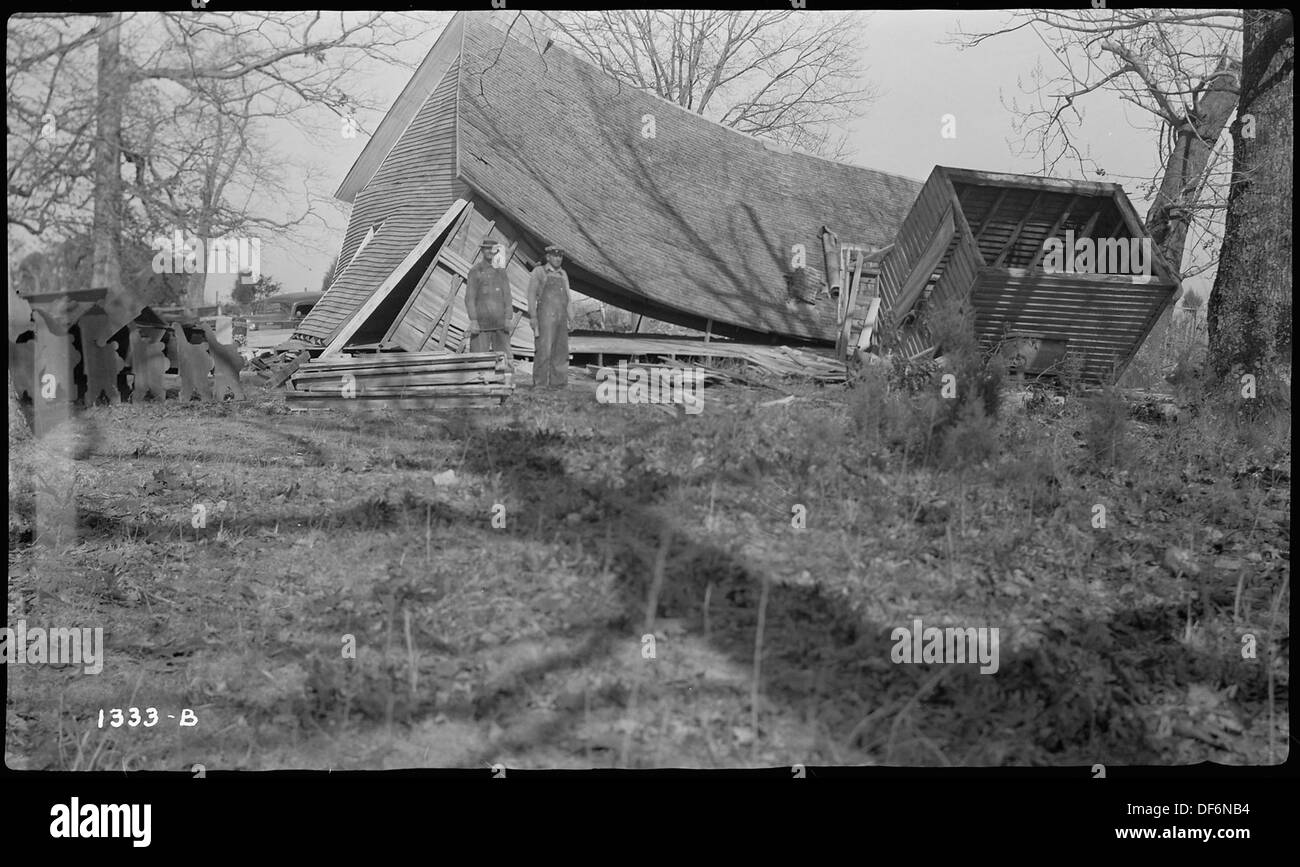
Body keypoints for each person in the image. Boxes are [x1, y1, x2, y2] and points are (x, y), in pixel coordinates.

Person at [527, 244, 571, 389]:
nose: (558, 259)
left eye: (560, 256)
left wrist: (571, 317)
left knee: (561, 351)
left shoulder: (563, 274)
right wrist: (533, 317)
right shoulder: (539, 272)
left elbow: (568, 298)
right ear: (548, 257)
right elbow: (531, 295)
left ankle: (558, 384)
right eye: (555, 256)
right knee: (543, 351)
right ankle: (540, 384)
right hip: (545, 318)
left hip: (561, 318)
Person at [465, 238, 513, 362]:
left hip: (500, 323)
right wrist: (474, 320)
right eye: (487, 248)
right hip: (481, 325)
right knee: (477, 360)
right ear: (482, 250)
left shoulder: (501, 272)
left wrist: (508, 318)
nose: (490, 251)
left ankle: (504, 381)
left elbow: (507, 296)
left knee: (504, 359)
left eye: (493, 249)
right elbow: (469, 298)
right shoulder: (475, 271)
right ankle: (479, 381)